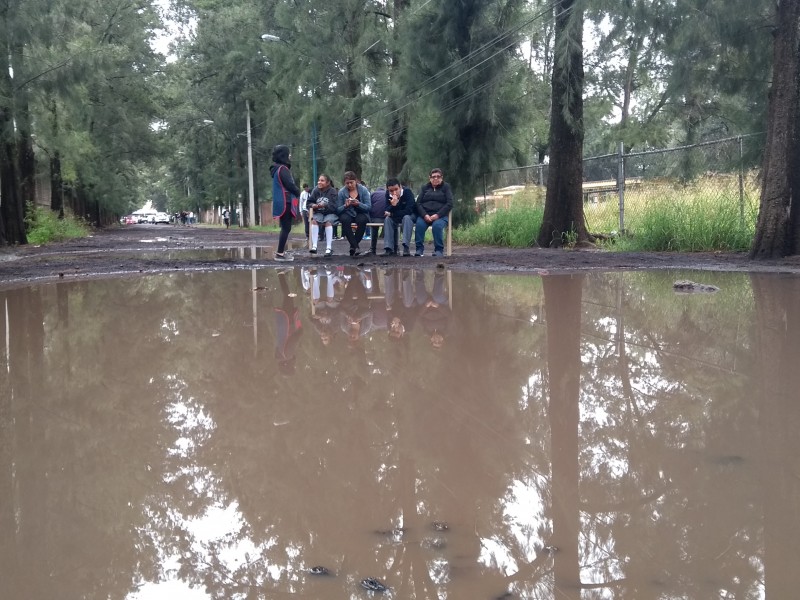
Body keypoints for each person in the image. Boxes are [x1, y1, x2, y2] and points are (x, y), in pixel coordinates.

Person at [270, 144, 301, 261]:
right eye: (288, 154)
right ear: (284, 155)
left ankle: (280, 252)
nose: (290, 156)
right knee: (286, 227)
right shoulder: (283, 169)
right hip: (286, 201)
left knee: (285, 227)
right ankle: (280, 253)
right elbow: (290, 185)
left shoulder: (276, 169)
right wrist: (298, 192)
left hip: (282, 201)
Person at [414, 168, 453, 257]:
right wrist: (424, 215)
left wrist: (438, 215)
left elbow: (450, 203)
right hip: (425, 215)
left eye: (438, 177)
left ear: (442, 178)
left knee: (437, 226)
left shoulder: (446, 187)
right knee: (419, 225)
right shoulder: (425, 188)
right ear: (430, 178)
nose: (436, 179)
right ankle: (419, 249)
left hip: (440, 216)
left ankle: (439, 250)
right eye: (433, 177)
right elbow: (418, 203)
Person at [336, 171, 371, 257]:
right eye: (347, 183)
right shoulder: (341, 192)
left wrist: (358, 204)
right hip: (347, 213)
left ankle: (353, 246)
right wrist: (345, 206)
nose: (350, 185)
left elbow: (368, 207)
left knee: (362, 220)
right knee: (344, 220)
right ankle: (356, 246)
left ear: (356, 181)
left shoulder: (363, 190)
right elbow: (337, 210)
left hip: (361, 212)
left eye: (351, 182)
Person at [382, 178, 416, 256]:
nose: (394, 192)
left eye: (396, 189)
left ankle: (406, 247)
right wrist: (393, 205)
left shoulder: (407, 192)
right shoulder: (387, 194)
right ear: (388, 189)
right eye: (391, 190)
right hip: (397, 216)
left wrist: (393, 213)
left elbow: (409, 210)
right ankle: (388, 248)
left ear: (400, 187)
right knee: (387, 219)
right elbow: (387, 210)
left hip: (409, 216)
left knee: (406, 218)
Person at [307, 174, 339, 257]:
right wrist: (313, 205)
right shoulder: (315, 190)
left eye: (322, 180)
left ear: (328, 183)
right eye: (319, 180)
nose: (319, 182)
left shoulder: (333, 191)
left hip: (330, 213)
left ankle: (328, 248)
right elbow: (309, 202)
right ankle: (314, 246)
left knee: (328, 222)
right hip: (319, 212)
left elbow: (335, 206)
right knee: (314, 220)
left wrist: (325, 205)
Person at [365, 185, 386, 255]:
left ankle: (373, 249)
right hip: (386, 219)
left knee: (374, 230)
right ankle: (392, 248)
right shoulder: (387, 193)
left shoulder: (373, 194)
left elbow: (369, 206)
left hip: (375, 218)